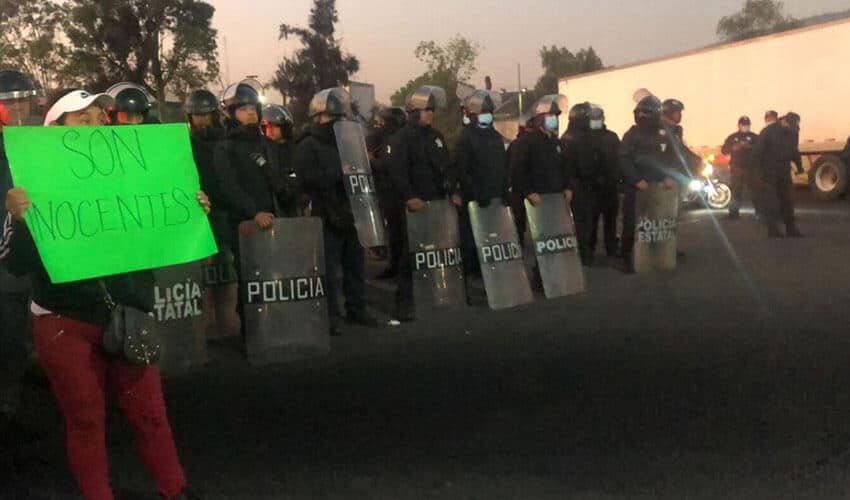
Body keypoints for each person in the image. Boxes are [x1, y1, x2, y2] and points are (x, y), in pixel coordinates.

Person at [3, 89, 205, 500]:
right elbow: (15, 263)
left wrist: (189, 209)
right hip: (64, 322)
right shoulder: (29, 185)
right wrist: (17, 219)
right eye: (82, 119)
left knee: (150, 415)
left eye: (99, 116)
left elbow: (156, 229)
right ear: (53, 130)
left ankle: (175, 490)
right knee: (86, 420)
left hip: (127, 316)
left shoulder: (131, 175)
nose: (95, 124)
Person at [293, 87, 379, 335]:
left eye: (340, 117)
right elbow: (305, 178)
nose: (337, 123)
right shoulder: (308, 144)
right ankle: (331, 315)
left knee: (354, 266)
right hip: (326, 212)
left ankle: (357, 308)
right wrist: (337, 175)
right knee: (328, 270)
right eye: (333, 117)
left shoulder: (350, 141)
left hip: (352, 210)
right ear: (319, 117)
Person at [386, 85, 451, 322]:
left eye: (432, 110)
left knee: (433, 254)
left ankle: (433, 296)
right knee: (407, 256)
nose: (431, 114)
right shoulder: (402, 138)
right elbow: (397, 171)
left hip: (435, 205)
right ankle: (405, 302)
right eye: (426, 110)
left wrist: (450, 191)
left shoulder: (437, 137)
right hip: (412, 207)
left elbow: (446, 165)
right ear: (413, 112)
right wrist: (408, 196)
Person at [0, 69, 39, 435]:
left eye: (22, 100)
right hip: (5, 263)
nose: (17, 109)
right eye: (9, 103)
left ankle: (14, 391)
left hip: (33, 261)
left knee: (19, 334)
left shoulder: (45, 147)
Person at [618, 95, 679, 273]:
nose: (642, 116)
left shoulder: (665, 133)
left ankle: (659, 255)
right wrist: (636, 179)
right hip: (637, 188)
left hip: (659, 187)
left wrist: (670, 176)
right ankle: (627, 259)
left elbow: (674, 157)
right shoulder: (631, 134)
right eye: (640, 113)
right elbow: (624, 159)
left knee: (659, 222)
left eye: (646, 113)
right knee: (632, 223)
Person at [450, 90, 509, 275]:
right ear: (473, 115)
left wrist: (504, 189)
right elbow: (461, 169)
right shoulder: (466, 137)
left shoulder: (495, 136)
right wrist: (474, 193)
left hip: (494, 197)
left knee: (491, 237)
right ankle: (471, 271)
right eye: (484, 112)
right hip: (474, 199)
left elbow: (502, 165)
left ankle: (488, 269)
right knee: (471, 238)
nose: (487, 116)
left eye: (489, 112)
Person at [562, 103, 621, 265]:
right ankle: (586, 251)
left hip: (605, 184)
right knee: (587, 222)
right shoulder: (573, 138)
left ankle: (607, 248)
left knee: (607, 219)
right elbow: (575, 164)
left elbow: (617, 158)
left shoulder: (607, 137)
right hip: (583, 185)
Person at [511, 94, 573, 227]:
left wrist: (567, 187)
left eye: (555, 116)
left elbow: (565, 167)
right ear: (539, 119)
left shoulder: (556, 142)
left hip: (556, 200)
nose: (554, 119)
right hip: (537, 201)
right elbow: (518, 170)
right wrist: (529, 192)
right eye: (550, 116)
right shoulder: (526, 142)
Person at [366, 106, 407, 280]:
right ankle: (396, 264)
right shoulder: (387, 139)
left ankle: (398, 266)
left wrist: (372, 160)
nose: (378, 126)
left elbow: (386, 166)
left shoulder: (394, 141)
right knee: (394, 231)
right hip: (388, 191)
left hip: (393, 192)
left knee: (397, 231)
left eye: (382, 122)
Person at [752, 112, 804, 238]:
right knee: (771, 201)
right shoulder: (768, 132)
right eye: (791, 126)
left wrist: (799, 166)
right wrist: (757, 173)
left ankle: (790, 228)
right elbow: (757, 153)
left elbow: (794, 151)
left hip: (784, 170)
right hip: (768, 172)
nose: (792, 129)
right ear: (784, 121)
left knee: (787, 200)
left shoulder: (793, 132)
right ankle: (772, 229)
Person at [261, 103, 302, 217]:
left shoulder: (295, 148)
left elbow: (296, 174)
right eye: (266, 126)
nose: (270, 130)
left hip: (294, 206)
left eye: (275, 126)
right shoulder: (260, 151)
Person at [721, 116, 759, 219]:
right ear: (739, 125)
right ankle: (733, 213)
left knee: (755, 191)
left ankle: (760, 212)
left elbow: (761, 150)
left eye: (747, 125)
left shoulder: (755, 137)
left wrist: (750, 147)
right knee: (736, 191)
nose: (745, 126)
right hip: (736, 168)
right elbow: (724, 150)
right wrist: (735, 147)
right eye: (743, 124)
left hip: (751, 168)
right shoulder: (732, 137)